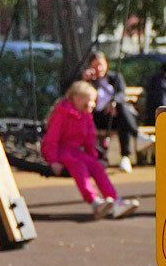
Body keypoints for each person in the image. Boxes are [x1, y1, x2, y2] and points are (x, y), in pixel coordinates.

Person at [41, 81, 139, 219]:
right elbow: (52, 138)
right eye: (90, 101)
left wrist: (93, 156)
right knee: (78, 166)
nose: (93, 105)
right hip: (60, 150)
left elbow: (89, 138)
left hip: (75, 150)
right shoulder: (62, 113)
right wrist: (53, 160)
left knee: (97, 167)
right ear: (77, 98)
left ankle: (115, 201)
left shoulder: (85, 114)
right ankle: (95, 202)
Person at [82, 51, 154, 173]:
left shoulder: (115, 77)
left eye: (101, 65)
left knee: (121, 110)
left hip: (116, 114)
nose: (99, 68)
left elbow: (121, 93)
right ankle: (137, 137)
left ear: (106, 64)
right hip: (98, 117)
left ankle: (125, 157)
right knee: (122, 113)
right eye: (95, 66)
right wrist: (86, 81)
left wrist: (113, 102)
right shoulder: (89, 81)